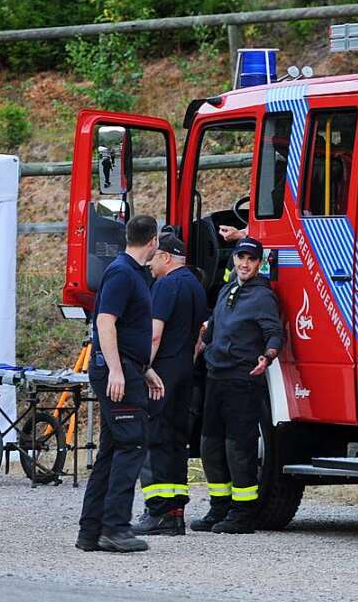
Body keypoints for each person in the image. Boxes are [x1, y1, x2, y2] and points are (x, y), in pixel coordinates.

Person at [77, 215, 165, 554]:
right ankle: (115, 528)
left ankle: (92, 531)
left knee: (113, 450)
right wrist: (116, 370)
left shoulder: (130, 273)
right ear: (153, 241)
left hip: (128, 368)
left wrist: (142, 369)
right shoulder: (122, 273)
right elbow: (105, 322)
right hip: (117, 372)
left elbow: (127, 331)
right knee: (131, 446)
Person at [192, 236, 284, 535]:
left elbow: (274, 332)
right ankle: (219, 507)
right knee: (210, 446)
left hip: (243, 380)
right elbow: (213, 327)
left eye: (251, 260)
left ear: (259, 263)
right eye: (240, 258)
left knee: (238, 448)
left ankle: (243, 513)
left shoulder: (263, 296)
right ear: (233, 259)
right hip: (215, 377)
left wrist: (267, 357)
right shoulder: (227, 289)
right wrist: (200, 344)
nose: (245, 264)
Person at [134, 233, 208, 536]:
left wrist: (144, 367)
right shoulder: (195, 285)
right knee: (178, 442)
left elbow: (154, 333)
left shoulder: (165, 285)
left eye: (153, 258)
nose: (150, 265)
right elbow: (200, 337)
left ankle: (158, 511)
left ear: (166, 257)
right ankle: (176, 510)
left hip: (160, 377)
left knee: (155, 441)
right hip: (184, 375)